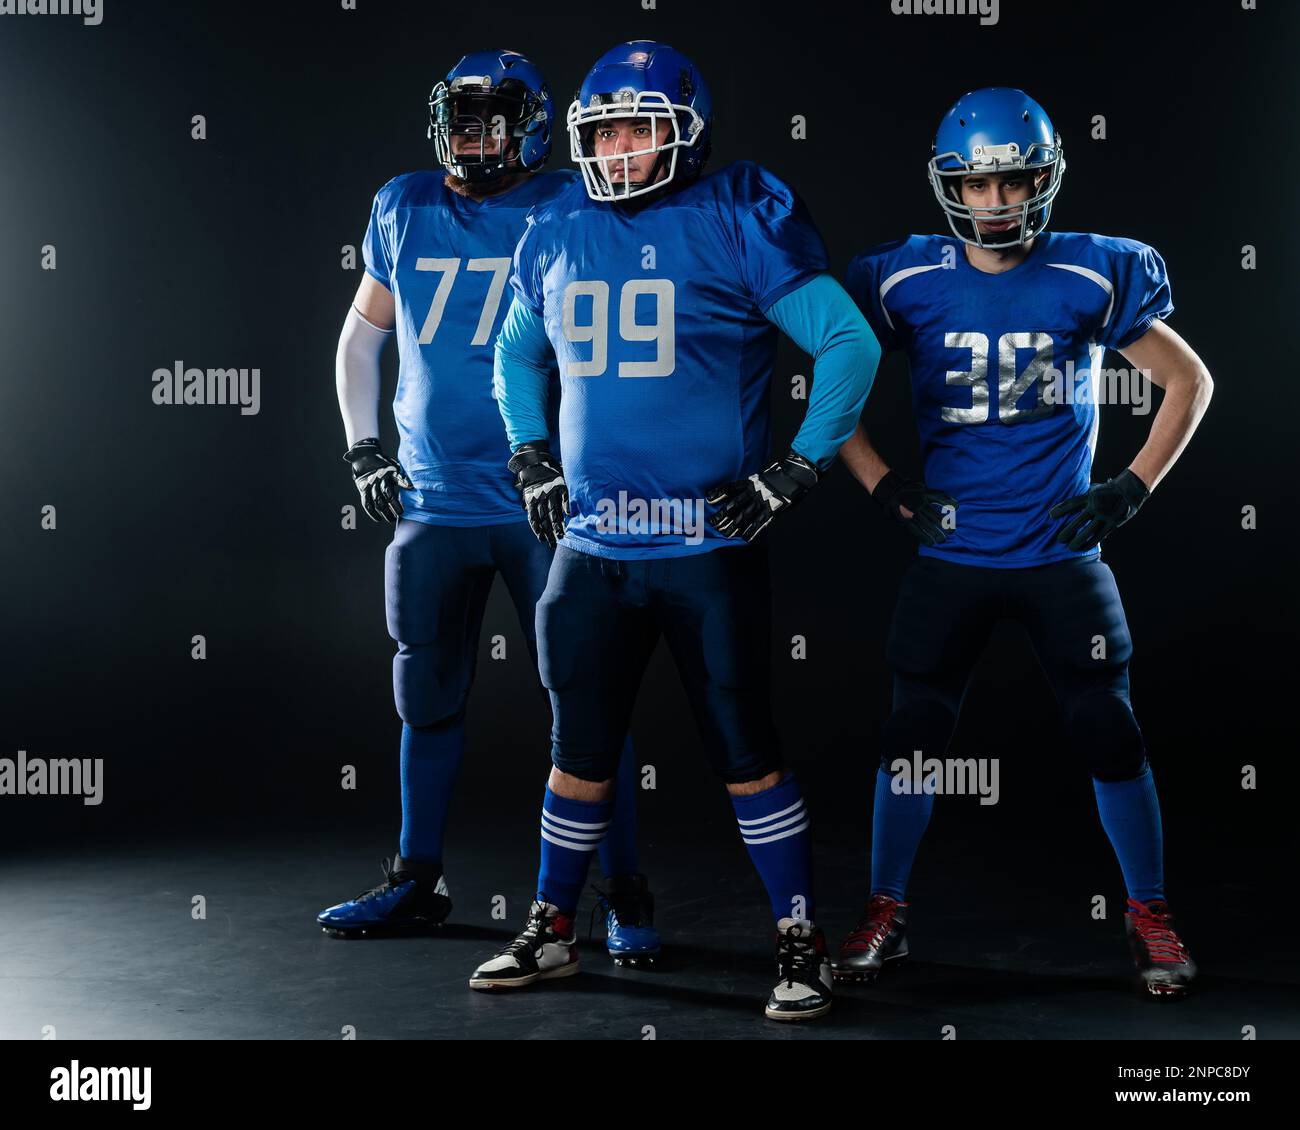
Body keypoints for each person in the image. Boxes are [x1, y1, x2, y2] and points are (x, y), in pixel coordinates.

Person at [468, 40, 881, 1021]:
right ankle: (555, 926)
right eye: (601, 130)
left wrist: (792, 469)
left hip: (703, 542)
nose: (614, 149)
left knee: (747, 749)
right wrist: (529, 451)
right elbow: (514, 353)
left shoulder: (737, 208)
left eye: (636, 129)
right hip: (592, 545)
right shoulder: (556, 220)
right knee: (577, 746)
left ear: (684, 135)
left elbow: (846, 339)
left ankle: (795, 934)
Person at [835, 87, 1211, 998]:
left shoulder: (1091, 272)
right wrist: (884, 483)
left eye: (1016, 183)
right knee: (911, 735)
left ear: (1044, 182)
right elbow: (832, 387)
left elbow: (1187, 379)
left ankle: (1150, 916)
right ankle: (886, 910)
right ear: (949, 185)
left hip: (1059, 554)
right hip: (952, 556)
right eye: (981, 185)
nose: (998, 204)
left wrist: (1130, 487)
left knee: (1109, 733)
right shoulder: (902, 277)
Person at [320, 50, 658, 966]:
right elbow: (361, 340)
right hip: (432, 496)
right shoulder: (405, 203)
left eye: (489, 121)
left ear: (533, 129)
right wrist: (362, 447)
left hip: (547, 500)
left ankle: (623, 890)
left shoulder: (573, 202)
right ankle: (415, 876)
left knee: (588, 705)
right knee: (423, 693)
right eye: (459, 120)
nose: (470, 139)